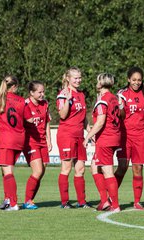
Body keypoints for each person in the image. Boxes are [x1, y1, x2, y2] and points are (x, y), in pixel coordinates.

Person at [0, 75, 33, 211]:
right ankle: (7, 199)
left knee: (7, 171)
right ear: (14, 86)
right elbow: (30, 120)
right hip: (19, 139)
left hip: (6, 140)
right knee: (5, 170)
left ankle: (13, 204)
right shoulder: (22, 101)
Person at [83, 73, 121, 212]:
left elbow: (100, 122)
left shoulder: (103, 100)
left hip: (106, 138)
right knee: (94, 166)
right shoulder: (114, 98)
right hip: (114, 136)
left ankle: (115, 205)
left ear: (100, 83)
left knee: (107, 171)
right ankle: (104, 201)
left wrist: (88, 137)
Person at [114, 67, 144, 210]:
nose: (136, 82)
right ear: (128, 79)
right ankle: (111, 197)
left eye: (139, 80)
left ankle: (137, 201)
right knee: (122, 167)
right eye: (133, 80)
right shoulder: (122, 94)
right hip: (125, 136)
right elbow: (120, 116)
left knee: (138, 168)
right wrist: (121, 105)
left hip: (140, 136)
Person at [56, 67, 91, 209]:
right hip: (67, 135)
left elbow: (83, 118)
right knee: (66, 168)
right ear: (68, 79)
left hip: (79, 136)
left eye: (79, 77)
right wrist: (67, 100)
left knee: (81, 169)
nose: (78, 80)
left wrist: (90, 133)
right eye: (75, 78)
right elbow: (62, 115)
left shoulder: (81, 94)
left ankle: (82, 201)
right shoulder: (63, 94)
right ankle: (65, 202)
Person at [23, 81, 52, 210]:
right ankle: (27, 200)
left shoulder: (45, 104)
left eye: (43, 91)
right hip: (30, 142)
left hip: (42, 142)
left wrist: (49, 141)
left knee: (42, 172)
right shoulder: (24, 105)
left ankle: (31, 199)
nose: (42, 94)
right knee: (37, 171)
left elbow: (47, 123)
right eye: (39, 92)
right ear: (32, 93)